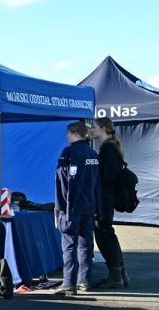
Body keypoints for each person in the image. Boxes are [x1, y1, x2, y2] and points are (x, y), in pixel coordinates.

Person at [54, 121, 101, 295]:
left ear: (74, 133)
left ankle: (68, 283)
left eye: (68, 133)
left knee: (69, 245)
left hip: (72, 208)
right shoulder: (93, 154)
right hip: (89, 206)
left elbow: (67, 183)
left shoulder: (69, 152)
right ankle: (85, 281)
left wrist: (64, 208)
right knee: (86, 245)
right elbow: (97, 184)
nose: (66, 137)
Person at [90, 117, 128, 288]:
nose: (91, 130)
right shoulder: (110, 146)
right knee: (107, 234)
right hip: (105, 198)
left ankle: (116, 277)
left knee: (105, 234)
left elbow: (108, 176)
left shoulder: (108, 149)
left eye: (94, 127)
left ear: (104, 129)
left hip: (105, 199)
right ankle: (121, 274)